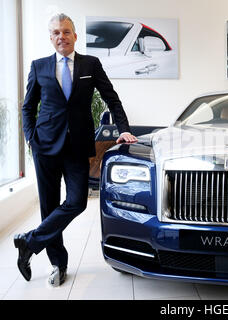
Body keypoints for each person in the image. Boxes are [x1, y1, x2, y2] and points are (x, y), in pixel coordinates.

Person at [15, 13, 137, 286]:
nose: (62, 37)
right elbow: (27, 106)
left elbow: (111, 98)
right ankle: (58, 264)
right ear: (51, 37)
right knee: (49, 208)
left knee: (77, 201)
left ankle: (29, 242)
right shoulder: (39, 66)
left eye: (66, 31)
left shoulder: (90, 64)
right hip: (45, 146)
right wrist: (30, 138)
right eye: (56, 32)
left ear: (75, 35)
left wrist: (124, 128)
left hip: (77, 146)